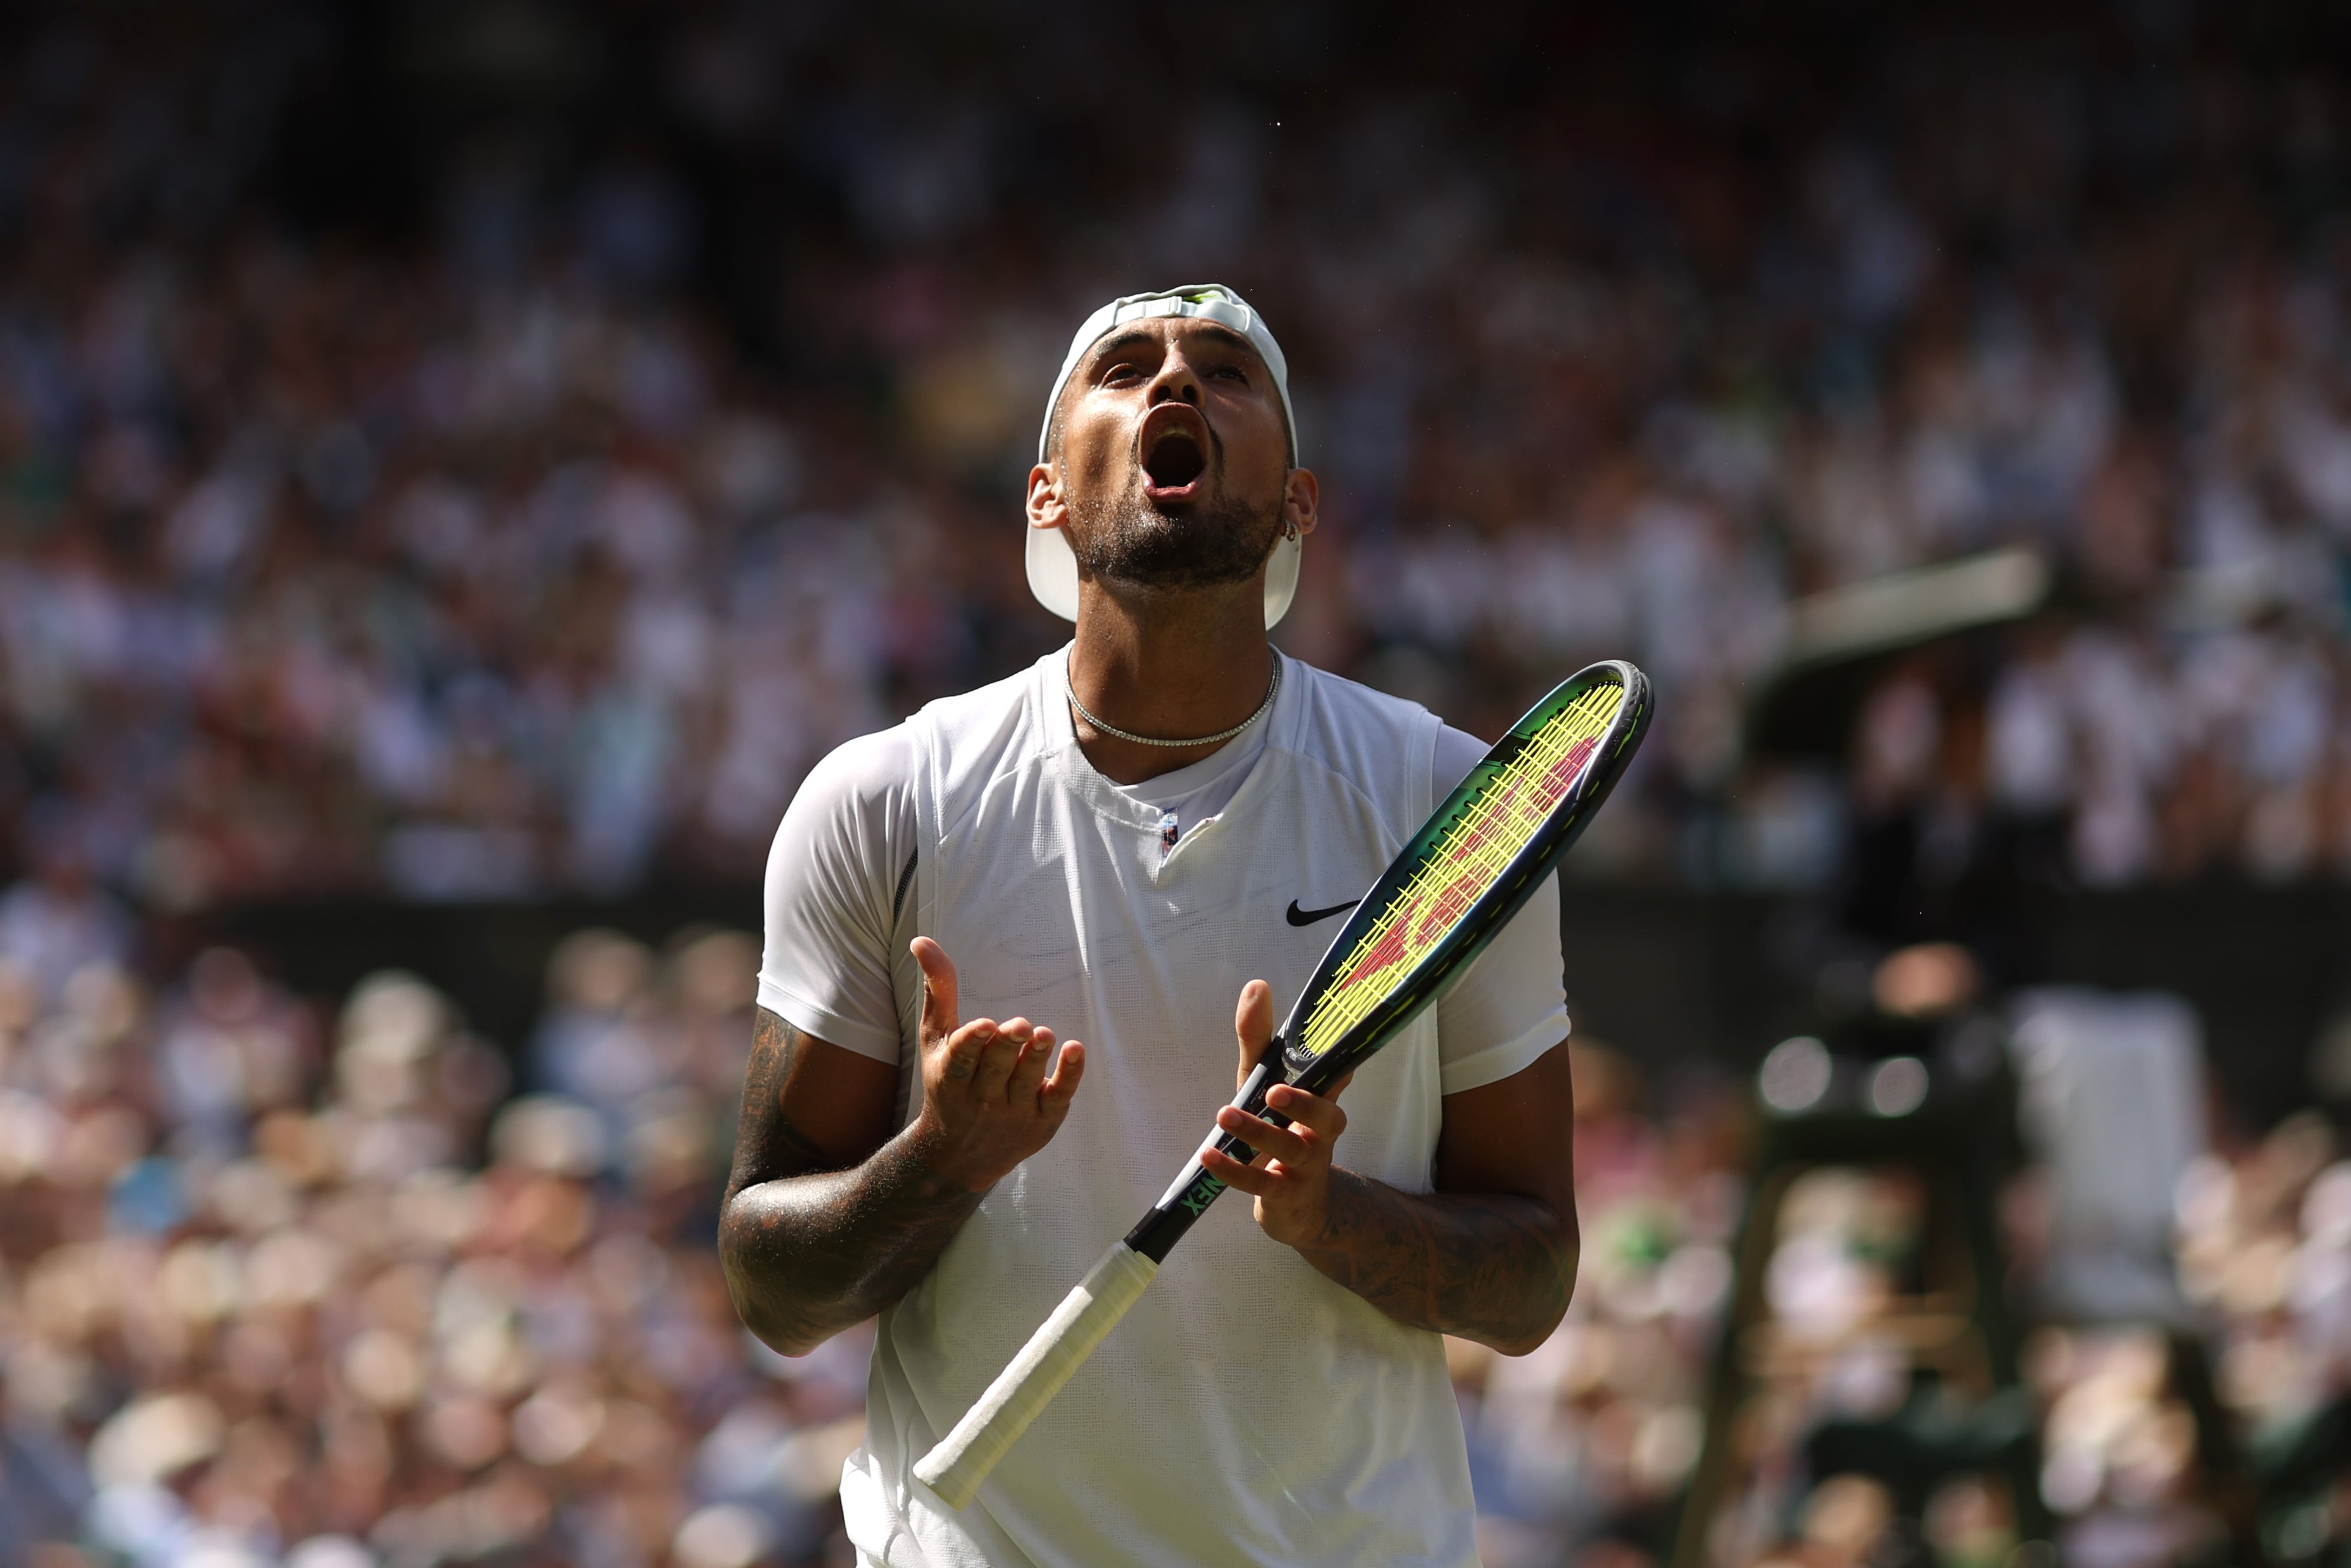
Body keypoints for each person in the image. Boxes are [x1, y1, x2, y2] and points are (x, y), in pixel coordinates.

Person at [722, 285, 1579, 1567]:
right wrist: (942, 1157)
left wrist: (1324, 1209)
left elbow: (1532, 1277)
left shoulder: (1446, 802)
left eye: (1227, 373)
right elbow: (770, 1287)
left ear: (1297, 501)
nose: (1174, 386)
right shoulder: (886, 799)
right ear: (1045, 493)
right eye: (1123, 369)